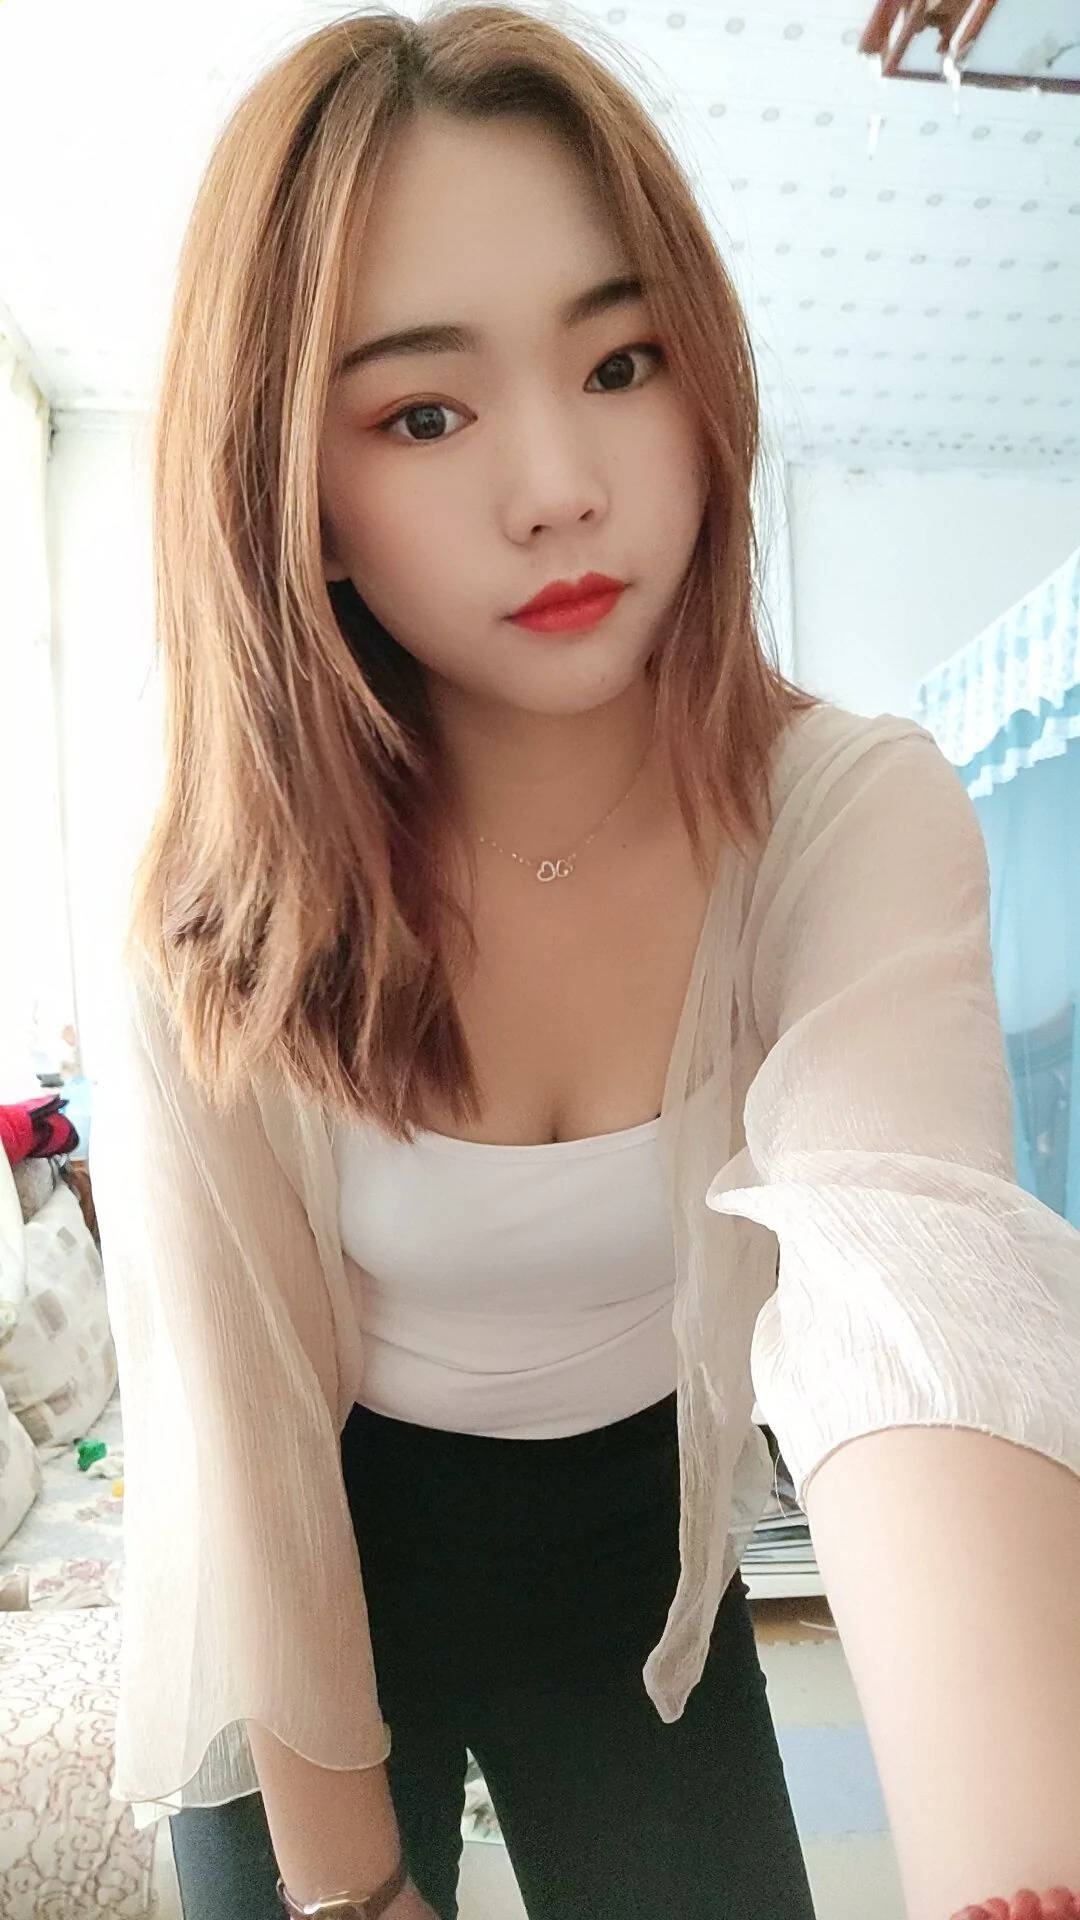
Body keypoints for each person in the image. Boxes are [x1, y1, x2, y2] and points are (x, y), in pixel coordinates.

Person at [89, 6, 1080, 1920]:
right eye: (425, 413)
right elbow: (241, 1438)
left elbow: (913, 1277)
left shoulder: (843, 811)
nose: (559, 484)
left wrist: (1019, 1856)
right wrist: (353, 1891)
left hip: (636, 1576)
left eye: (622, 362)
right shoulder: (214, 911)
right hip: (311, 1572)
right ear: (295, 495)